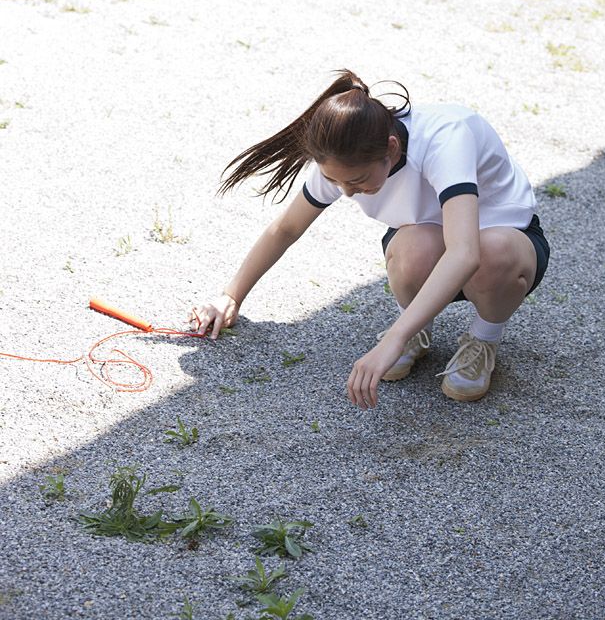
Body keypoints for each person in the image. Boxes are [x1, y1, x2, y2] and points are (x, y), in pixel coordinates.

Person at [188, 70, 550, 410]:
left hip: (503, 240)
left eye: (357, 181)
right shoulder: (344, 160)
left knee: (492, 254)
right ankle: (415, 329)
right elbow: (286, 229)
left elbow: (464, 252)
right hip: (428, 239)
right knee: (411, 250)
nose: (346, 193)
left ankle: (483, 339)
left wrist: (390, 337)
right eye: (337, 182)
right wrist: (230, 296)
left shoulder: (445, 138)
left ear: (392, 149)